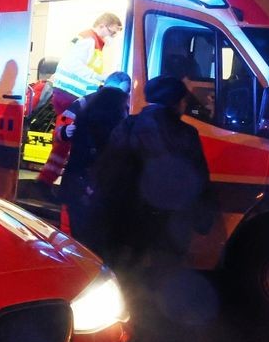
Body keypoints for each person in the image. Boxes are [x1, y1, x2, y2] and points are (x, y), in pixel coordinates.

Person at [89, 75, 213, 273]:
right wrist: (203, 220)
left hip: (128, 220)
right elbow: (198, 179)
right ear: (179, 103)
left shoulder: (129, 125)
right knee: (165, 278)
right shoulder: (187, 133)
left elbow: (108, 170)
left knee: (125, 278)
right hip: (171, 225)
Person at [37, 13, 122, 190]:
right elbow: (73, 66)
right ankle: (45, 183)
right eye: (112, 32)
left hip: (70, 96)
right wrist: (100, 80)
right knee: (66, 141)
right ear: (103, 26)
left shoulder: (93, 42)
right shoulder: (88, 41)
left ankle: (47, 181)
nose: (112, 37)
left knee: (66, 141)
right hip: (70, 96)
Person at [57, 71, 131, 245]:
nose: (119, 96)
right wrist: (64, 132)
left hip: (83, 180)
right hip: (87, 178)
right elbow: (61, 128)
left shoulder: (125, 107)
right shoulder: (83, 102)